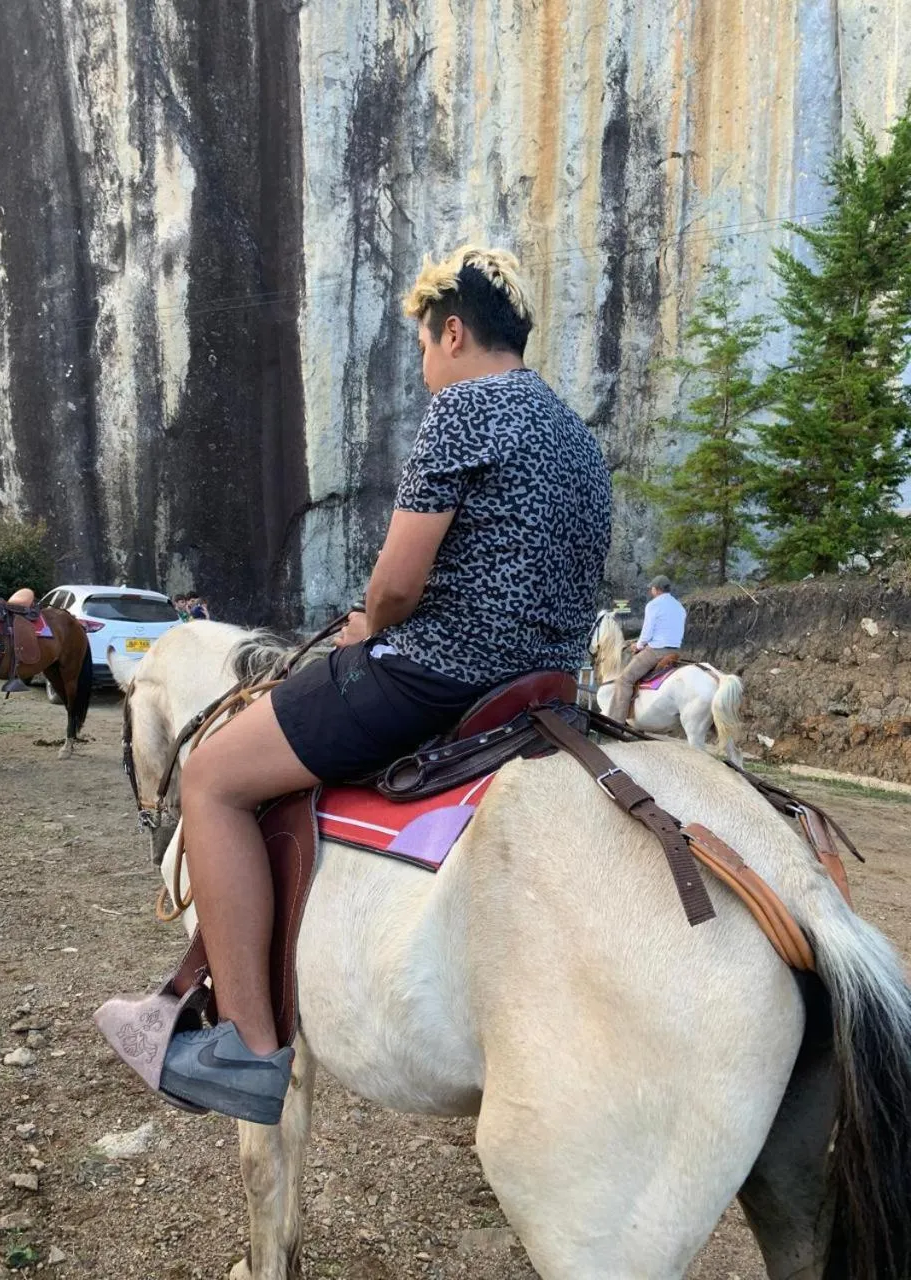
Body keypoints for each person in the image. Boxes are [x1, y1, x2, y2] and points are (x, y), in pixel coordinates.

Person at [106, 244, 612, 1124]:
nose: (424, 369)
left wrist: (366, 625)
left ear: (453, 332)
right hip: (543, 688)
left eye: (424, 347)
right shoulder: (575, 436)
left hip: (437, 673)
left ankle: (247, 1047)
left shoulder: (464, 411)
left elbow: (397, 586)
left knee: (211, 779)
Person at [608, 575, 687, 726]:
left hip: (656, 652)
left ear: (657, 589)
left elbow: (647, 633)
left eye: (652, 588)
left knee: (624, 680)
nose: (651, 591)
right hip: (675, 651)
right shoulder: (679, 607)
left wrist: (638, 646)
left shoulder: (653, 605)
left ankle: (615, 723)